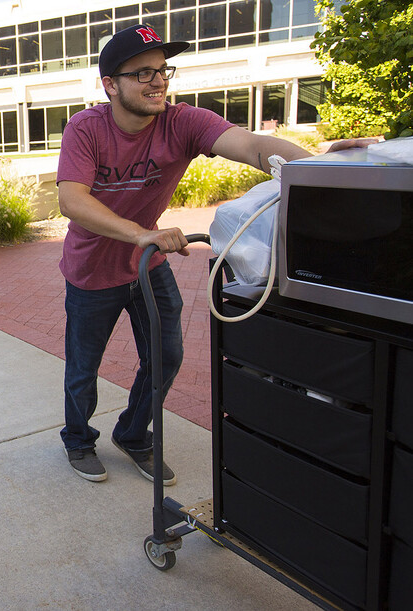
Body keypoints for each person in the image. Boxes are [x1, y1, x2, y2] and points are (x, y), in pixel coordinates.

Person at [56, 24, 373, 484]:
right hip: (91, 273)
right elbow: (72, 200)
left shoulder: (182, 121)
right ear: (110, 84)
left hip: (149, 266)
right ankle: (79, 440)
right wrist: (139, 233)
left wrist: (318, 167)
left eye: (163, 70)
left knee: (167, 356)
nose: (158, 80)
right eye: (142, 73)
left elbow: (252, 145)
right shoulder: (87, 128)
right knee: (84, 368)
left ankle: (133, 433)